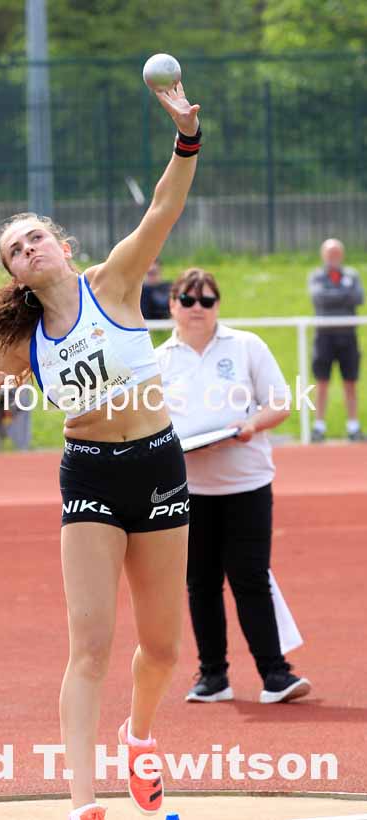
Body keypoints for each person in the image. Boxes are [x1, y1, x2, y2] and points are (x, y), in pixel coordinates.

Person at [0, 82, 202, 820]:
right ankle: (84, 805)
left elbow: (162, 209)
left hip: (157, 465)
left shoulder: (111, 283)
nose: (28, 249)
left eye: (35, 237)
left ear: (62, 246)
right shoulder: (22, 343)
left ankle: (138, 739)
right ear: (14, 274)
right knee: (90, 646)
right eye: (15, 249)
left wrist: (185, 136)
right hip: (89, 477)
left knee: (164, 649)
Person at [156, 268, 312, 704]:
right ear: (172, 306)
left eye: (207, 301)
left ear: (218, 305)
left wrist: (250, 424)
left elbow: (280, 402)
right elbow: (149, 421)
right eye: (187, 300)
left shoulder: (246, 346)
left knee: (250, 577)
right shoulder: (159, 361)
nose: (197, 309)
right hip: (189, 490)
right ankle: (213, 677)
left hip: (247, 482)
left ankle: (275, 674)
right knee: (200, 583)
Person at [308, 238, 365, 442]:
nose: (333, 258)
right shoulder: (316, 276)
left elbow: (358, 298)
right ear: (323, 255)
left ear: (342, 255)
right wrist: (343, 294)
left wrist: (336, 295)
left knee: (350, 381)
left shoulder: (352, 276)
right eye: (329, 254)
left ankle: (353, 426)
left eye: (336, 254)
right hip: (324, 336)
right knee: (321, 382)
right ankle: (319, 427)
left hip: (348, 336)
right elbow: (319, 298)